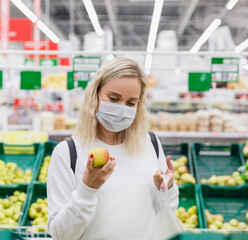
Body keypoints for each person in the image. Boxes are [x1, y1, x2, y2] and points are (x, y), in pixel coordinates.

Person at [47, 57, 179, 240]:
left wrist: (168, 187)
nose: (121, 109)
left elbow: (166, 212)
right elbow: (61, 235)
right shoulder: (68, 153)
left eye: (131, 103)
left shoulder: (151, 144)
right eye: (114, 98)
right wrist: (87, 188)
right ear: (95, 95)